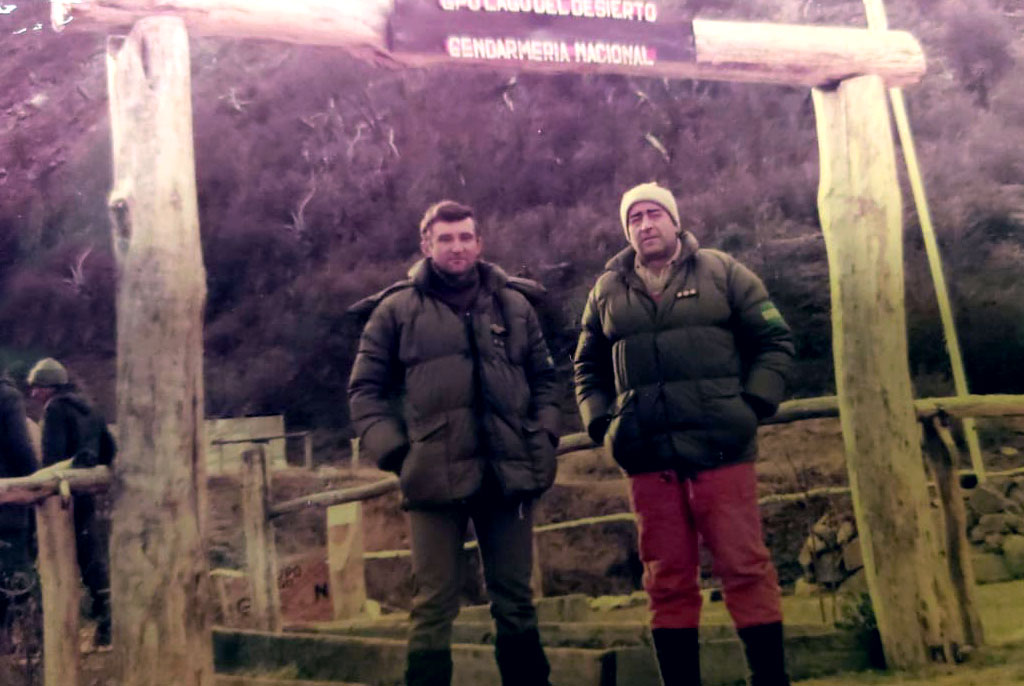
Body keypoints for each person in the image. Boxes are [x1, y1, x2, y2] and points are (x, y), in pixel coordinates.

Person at [573, 183, 795, 686]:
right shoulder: (606, 289)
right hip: (648, 455)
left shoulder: (723, 271)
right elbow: (586, 366)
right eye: (634, 219)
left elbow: (774, 340)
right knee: (666, 579)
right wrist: (602, 423)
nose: (645, 225)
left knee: (745, 568)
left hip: (722, 448)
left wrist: (753, 405)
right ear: (627, 231)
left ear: (675, 221)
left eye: (654, 214)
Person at [348, 200, 560, 686]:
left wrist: (545, 435)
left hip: (508, 472)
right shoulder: (395, 311)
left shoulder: (514, 305)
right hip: (432, 477)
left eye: (465, 237)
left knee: (515, 601)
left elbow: (546, 380)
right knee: (433, 604)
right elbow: (364, 391)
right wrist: (397, 454)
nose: (457, 247)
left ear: (479, 243)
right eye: (445, 238)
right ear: (427, 245)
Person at [27, 358, 115, 648]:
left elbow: (51, 458)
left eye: (37, 388)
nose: (33, 394)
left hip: (61, 497)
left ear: (50, 387)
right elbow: (109, 451)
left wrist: (41, 484)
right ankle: (106, 615)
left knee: (52, 556)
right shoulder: (91, 408)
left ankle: (51, 625)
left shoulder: (55, 409)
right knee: (90, 554)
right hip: (86, 491)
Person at [0, 370, 39, 651]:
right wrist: (36, 482)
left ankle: (4, 643)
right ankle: (31, 637)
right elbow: (21, 449)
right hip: (8, 501)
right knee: (17, 571)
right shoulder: (7, 397)